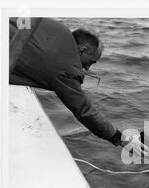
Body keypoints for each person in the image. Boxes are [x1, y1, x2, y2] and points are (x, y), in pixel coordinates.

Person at [9, 17, 136, 150]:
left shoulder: (60, 28)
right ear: (82, 50)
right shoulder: (65, 67)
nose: (87, 69)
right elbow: (84, 110)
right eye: (91, 62)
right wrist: (118, 138)